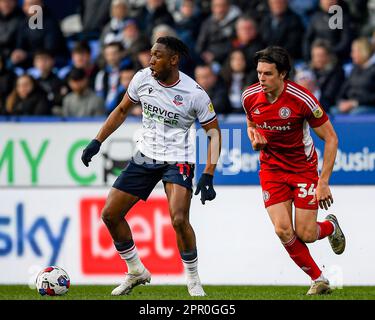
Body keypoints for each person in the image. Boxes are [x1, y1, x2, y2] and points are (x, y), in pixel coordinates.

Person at [81, 36, 221, 296]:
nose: (151, 60)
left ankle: (193, 279)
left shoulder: (194, 94)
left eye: (157, 56)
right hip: (146, 155)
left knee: (179, 219)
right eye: (150, 55)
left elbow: (213, 133)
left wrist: (208, 173)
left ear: (173, 60)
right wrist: (97, 140)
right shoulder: (142, 78)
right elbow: (122, 110)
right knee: (110, 214)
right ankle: (135, 270)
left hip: (178, 158)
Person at [242, 46, 345, 295]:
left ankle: (330, 226)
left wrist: (323, 182)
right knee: (282, 229)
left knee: (307, 234)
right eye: (259, 73)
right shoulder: (250, 96)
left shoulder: (302, 99)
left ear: (283, 74)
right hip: (271, 169)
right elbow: (251, 123)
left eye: (267, 74)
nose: (261, 79)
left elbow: (331, 138)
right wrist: (254, 139)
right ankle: (318, 278)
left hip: (302, 169)